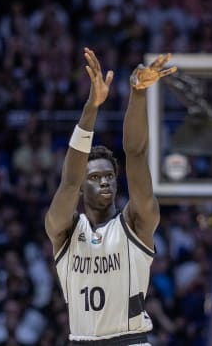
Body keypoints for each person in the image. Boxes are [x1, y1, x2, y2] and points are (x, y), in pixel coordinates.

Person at [45, 47, 177, 345]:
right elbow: (68, 181)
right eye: (94, 177)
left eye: (108, 176)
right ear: (82, 185)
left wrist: (139, 93)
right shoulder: (64, 230)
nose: (104, 181)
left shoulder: (136, 223)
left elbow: (137, 153)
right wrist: (92, 107)